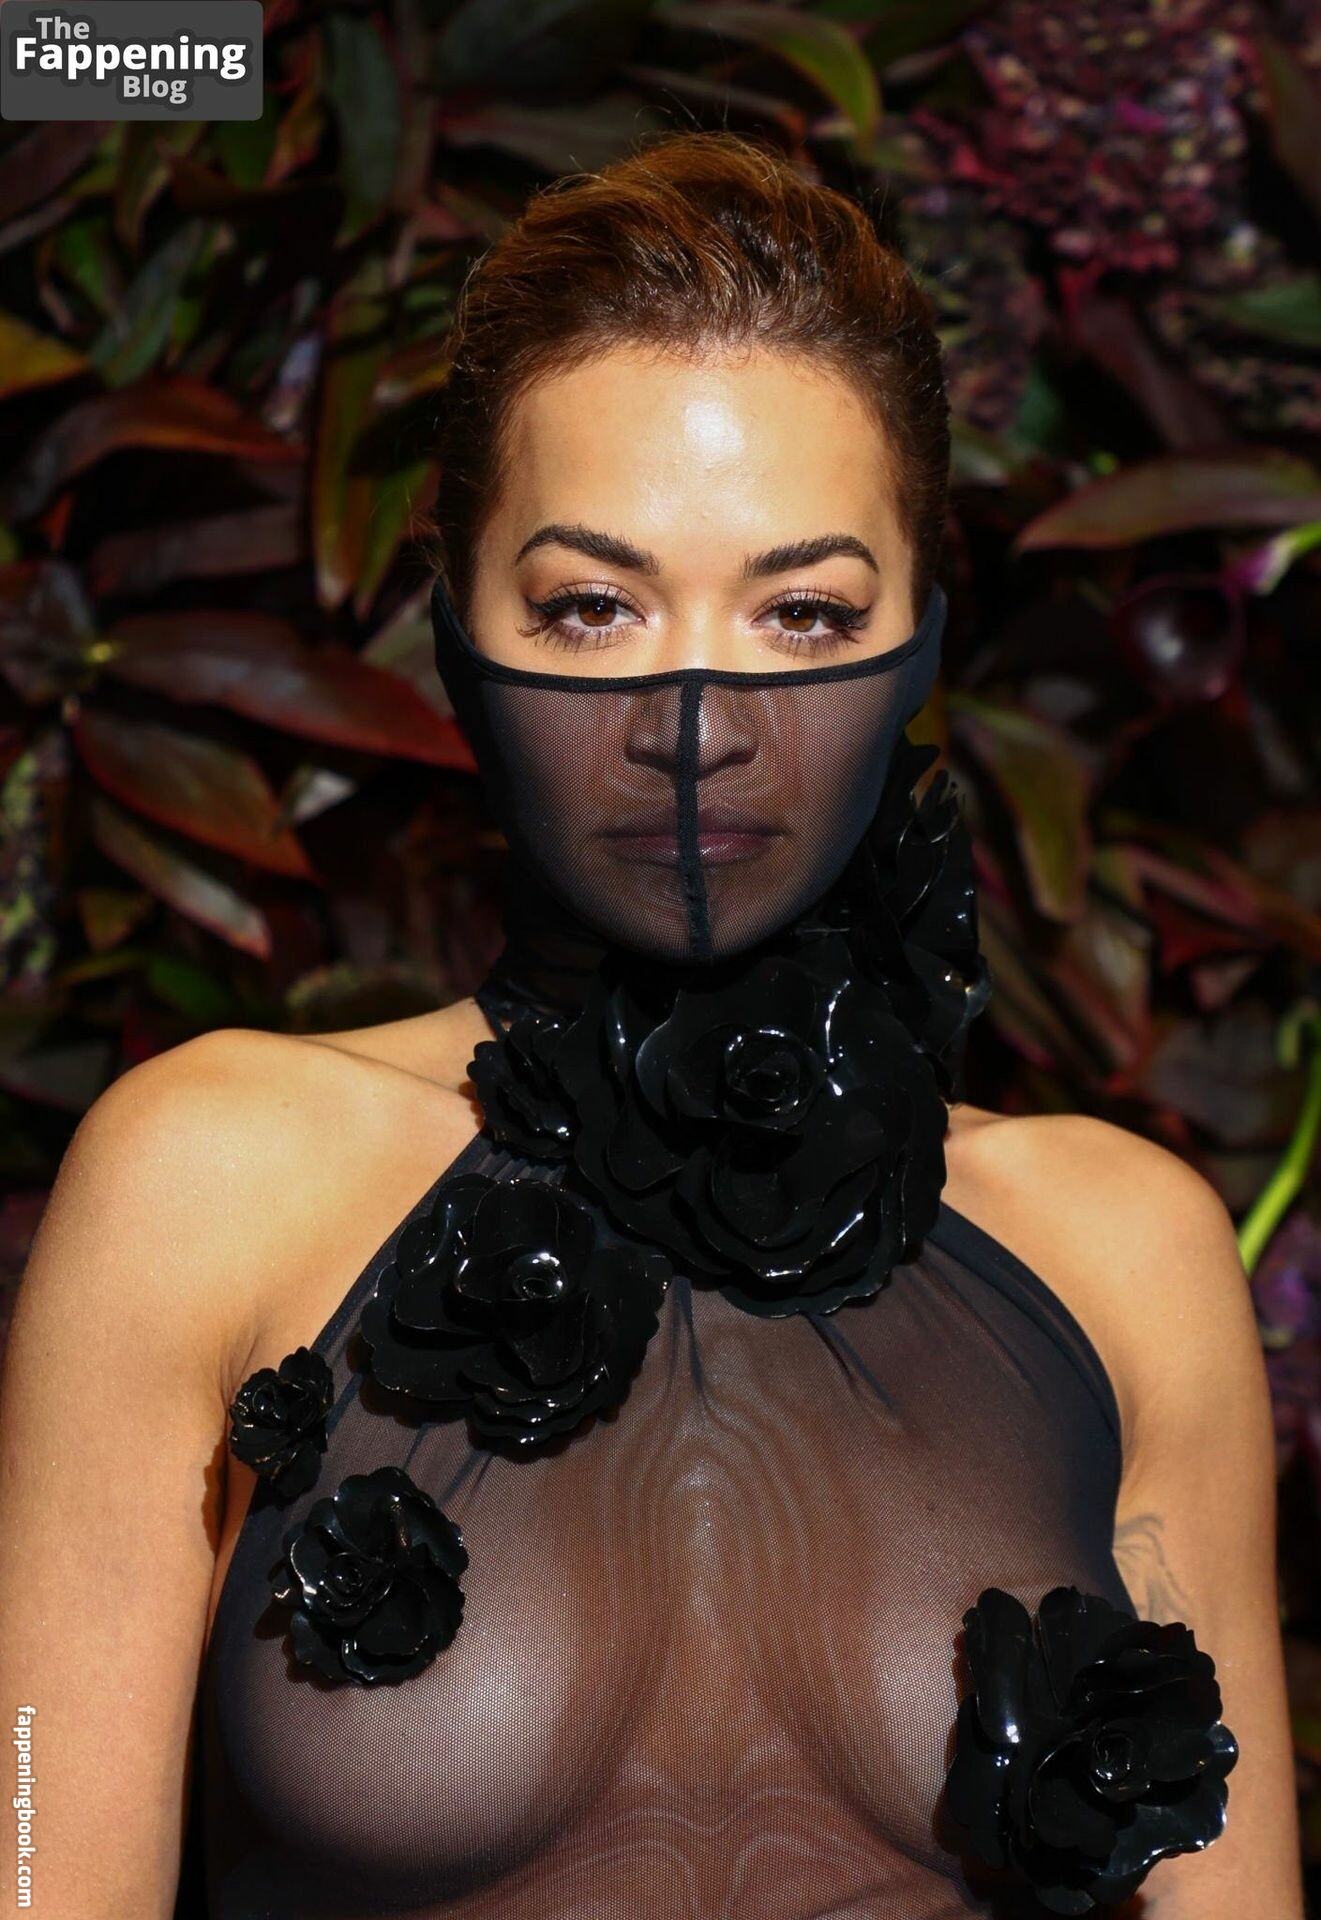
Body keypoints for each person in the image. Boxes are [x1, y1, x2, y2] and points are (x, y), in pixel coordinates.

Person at [0, 129, 1303, 1920]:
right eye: (592, 607)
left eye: (804, 611)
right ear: (455, 620)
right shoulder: (207, 1178)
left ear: (925, 635)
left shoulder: (1123, 1250)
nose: (696, 721)